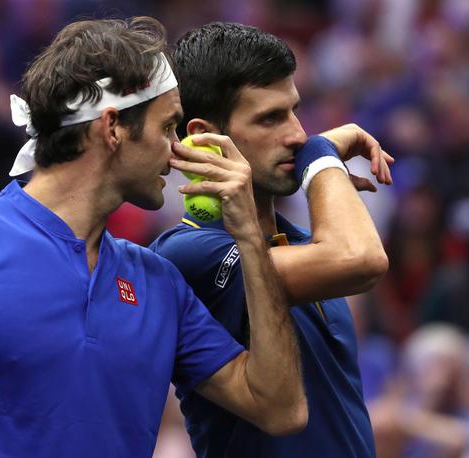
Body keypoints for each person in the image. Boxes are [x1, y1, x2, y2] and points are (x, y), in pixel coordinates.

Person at [0, 17, 307, 457]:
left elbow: (279, 408)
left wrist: (248, 235)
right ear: (113, 127)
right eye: (167, 128)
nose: (178, 151)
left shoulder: (159, 282)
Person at [150, 22, 392, 457]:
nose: (298, 134)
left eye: (294, 111)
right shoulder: (186, 254)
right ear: (205, 138)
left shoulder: (303, 243)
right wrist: (322, 157)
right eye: (270, 118)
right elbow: (361, 258)